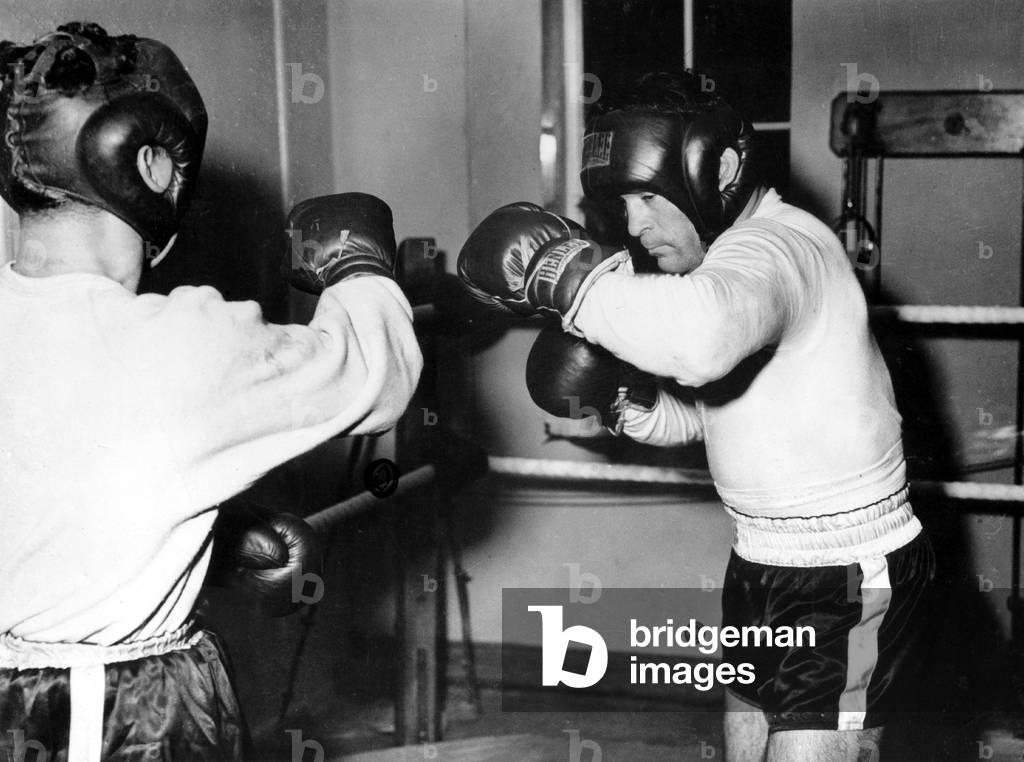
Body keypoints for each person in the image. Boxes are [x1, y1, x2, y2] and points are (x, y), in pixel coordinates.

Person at [459, 71, 934, 762]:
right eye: (623, 201)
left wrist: (571, 279)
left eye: (649, 195)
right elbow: (710, 414)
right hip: (760, 562)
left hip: (846, 576)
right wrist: (628, 404)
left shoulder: (776, 249)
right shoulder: (724, 265)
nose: (635, 223)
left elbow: (702, 343)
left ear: (724, 169)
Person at [0, 22, 422, 761]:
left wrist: (210, 540)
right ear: (153, 166)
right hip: (117, 715)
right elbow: (376, 378)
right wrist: (362, 269)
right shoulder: (185, 341)